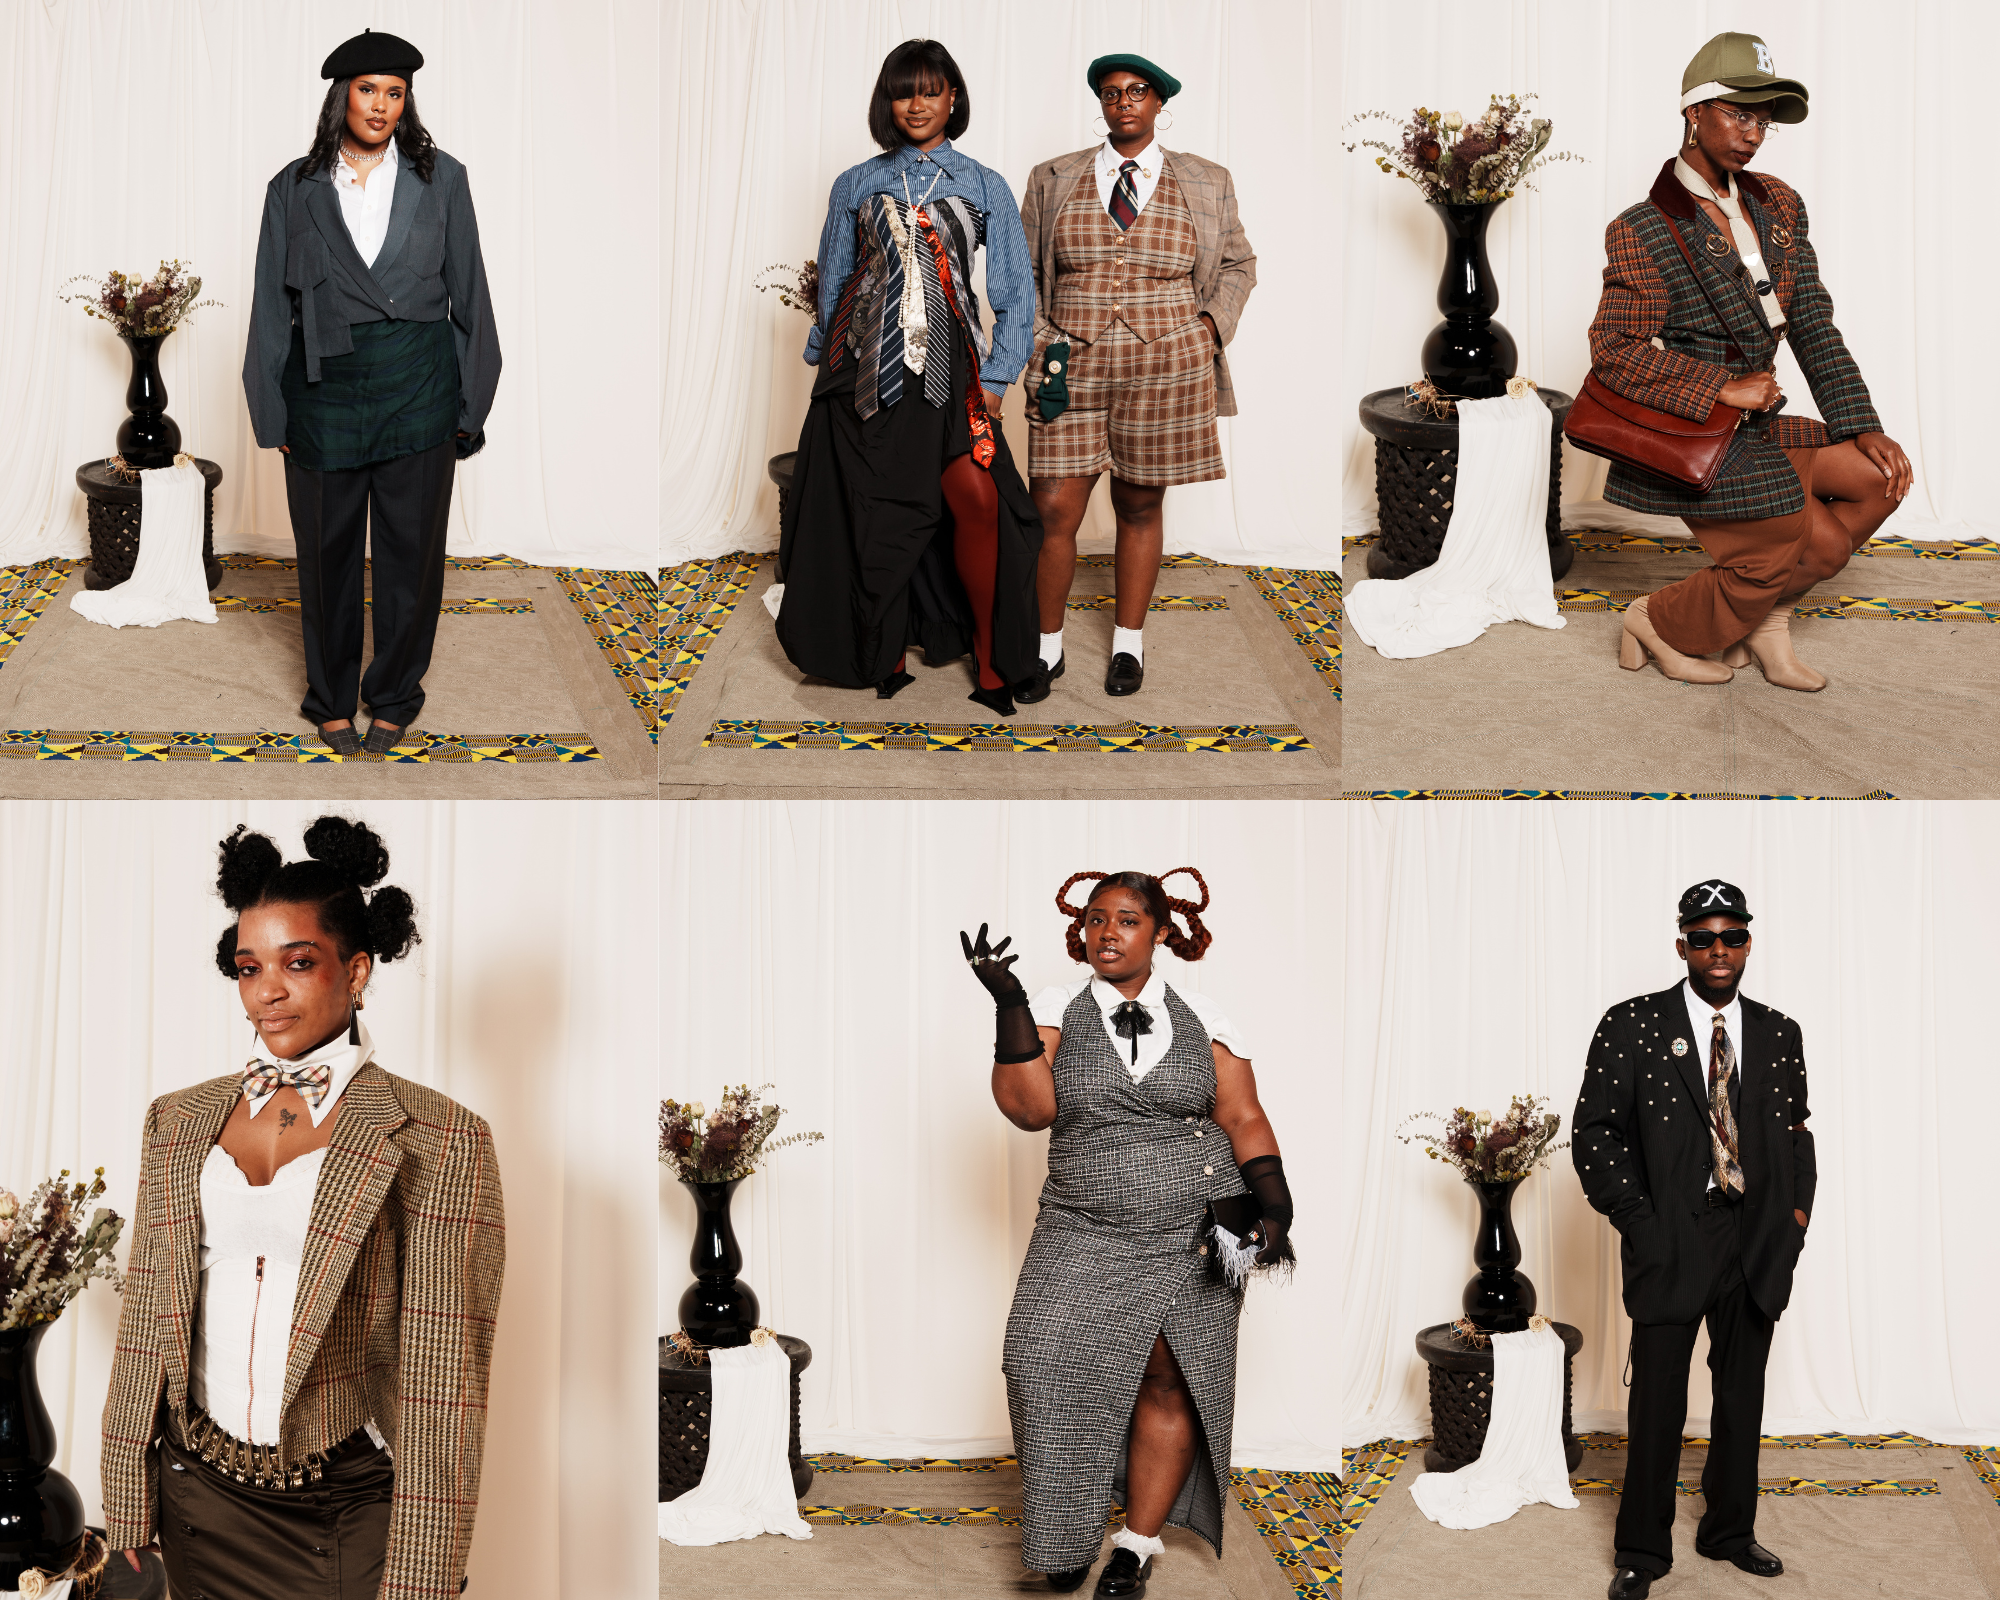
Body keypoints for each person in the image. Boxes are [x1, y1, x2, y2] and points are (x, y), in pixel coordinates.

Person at [101, 816, 505, 1600]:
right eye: (248, 968)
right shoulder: (176, 1120)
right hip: (194, 1494)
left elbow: (444, 1379)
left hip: (340, 1508)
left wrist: (422, 1579)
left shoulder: (440, 1138)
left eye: (298, 962)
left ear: (355, 970)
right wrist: (127, 1510)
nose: (268, 992)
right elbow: (147, 1322)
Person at [961, 869, 1294, 1598]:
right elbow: (1030, 1111)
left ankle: (1135, 1547)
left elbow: (1242, 1114)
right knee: (1038, 1361)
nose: (1107, 931)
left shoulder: (1204, 1017)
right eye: (1095, 919)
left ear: (1161, 933)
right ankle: (1063, 1539)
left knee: (1171, 1378)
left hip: (1195, 1226)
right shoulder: (1054, 1009)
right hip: (1082, 1223)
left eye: (1127, 919)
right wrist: (1009, 1003)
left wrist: (1275, 1204)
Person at [1587, 31, 1910, 691]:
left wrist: (1861, 424)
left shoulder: (1778, 203)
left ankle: (1762, 623)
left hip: (1761, 425)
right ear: (1694, 112)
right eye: (1738, 114)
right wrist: (1720, 387)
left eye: (1764, 121)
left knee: (1878, 480)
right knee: (1812, 540)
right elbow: (1613, 349)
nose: (1753, 134)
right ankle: (1654, 620)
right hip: (1699, 431)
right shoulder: (1642, 228)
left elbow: (1812, 322)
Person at [244, 29, 502, 756]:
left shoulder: (442, 179)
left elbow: (471, 297)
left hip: (419, 385)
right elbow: (270, 309)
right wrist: (272, 413)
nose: (381, 105)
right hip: (324, 390)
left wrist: (470, 404)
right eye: (367, 90)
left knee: (409, 554)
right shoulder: (292, 188)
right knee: (325, 555)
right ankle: (330, 698)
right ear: (342, 97)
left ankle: (393, 694)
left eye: (395, 92)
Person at [777, 38, 1043, 716]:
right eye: (903, 92)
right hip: (865, 373)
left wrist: (997, 380)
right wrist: (824, 359)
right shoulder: (855, 183)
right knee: (874, 510)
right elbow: (835, 280)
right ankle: (884, 651)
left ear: (954, 98)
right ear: (887, 102)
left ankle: (991, 658)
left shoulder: (984, 184)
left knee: (977, 501)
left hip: (951, 374)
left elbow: (1015, 293)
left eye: (930, 90)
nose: (917, 104)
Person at [1572, 879, 1814, 1600]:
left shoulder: (1779, 1031)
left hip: (1757, 1235)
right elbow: (1595, 1134)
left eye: (1732, 937)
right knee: (1658, 1402)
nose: (1718, 950)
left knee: (1742, 1396)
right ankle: (1642, 1550)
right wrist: (1641, 1222)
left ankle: (1729, 1531)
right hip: (1672, 1234)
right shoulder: (1632, 1024)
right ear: (1682, 945)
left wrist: (1794, 1221)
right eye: (1703, 938)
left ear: (1748, 943)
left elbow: (1797, 1132)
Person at [1016, 55, 1256, 702]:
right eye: (1111, 93)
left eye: (1137, 91)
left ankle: (1128, 642)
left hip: (1166, 368)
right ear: (1101, 104)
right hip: (1069, 361)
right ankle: (1044, 648)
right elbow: (1021, 273)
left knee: (1140, 504)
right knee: (1052, 508)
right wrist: (1040, 341)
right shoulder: (1051, 177)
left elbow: (1239, 265)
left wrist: (1207, 330)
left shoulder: (1208, 181)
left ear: (1158, 103)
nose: (1123, 101)